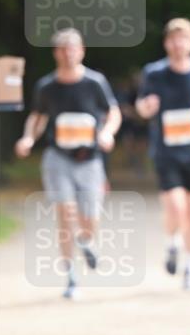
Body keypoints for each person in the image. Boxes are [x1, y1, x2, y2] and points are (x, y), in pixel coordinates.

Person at [14, 28, 121, 299]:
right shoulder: (47, 86)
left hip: (90, 159)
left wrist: (107, 133)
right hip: (57, 157)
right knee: (65, 214)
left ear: (81, 51)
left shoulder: (95, 82)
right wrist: (28, 138)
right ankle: (71, 277)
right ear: (56, 54)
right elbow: (37, 117)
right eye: (63, 49)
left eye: (73, 48)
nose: (68, 53)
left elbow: (113, 113)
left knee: (90, 218)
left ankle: (86, 240)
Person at [136, 17, 190, 290]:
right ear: (166, 43)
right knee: (176, 206)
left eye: (183, 39)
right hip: (166, 151)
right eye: (173, 39)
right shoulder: (154, 73)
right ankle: (172, 243)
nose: (178, 44)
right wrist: (147, 108)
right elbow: (140, 107)